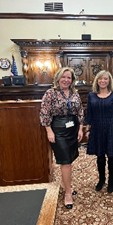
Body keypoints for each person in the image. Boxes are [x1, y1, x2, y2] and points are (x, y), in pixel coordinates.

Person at [40, 67, 84, 209]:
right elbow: (44, 113)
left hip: (73, 129)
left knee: (69, 159)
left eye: (69, 77)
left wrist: (81, 129)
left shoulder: (74, 93)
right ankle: (68, 193)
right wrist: (49, 131)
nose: (66, 80)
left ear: (72, 80)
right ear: (58, 78)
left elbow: (80, 112)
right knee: (66, 162)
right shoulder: (50, 93)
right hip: (58, 131)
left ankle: (66, 185)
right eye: (63, 77)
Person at [85, 70, 113, 193]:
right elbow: (89, 113)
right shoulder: (91, 95)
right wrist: (87, 129)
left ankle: (111, 181)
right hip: (96, 128)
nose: (103, 81)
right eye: (100, 78)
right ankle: (102, 180)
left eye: (105, 79)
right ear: (97, 80)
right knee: (100, 156)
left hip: (111, 128)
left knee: (111, 156)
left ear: (109, 81)